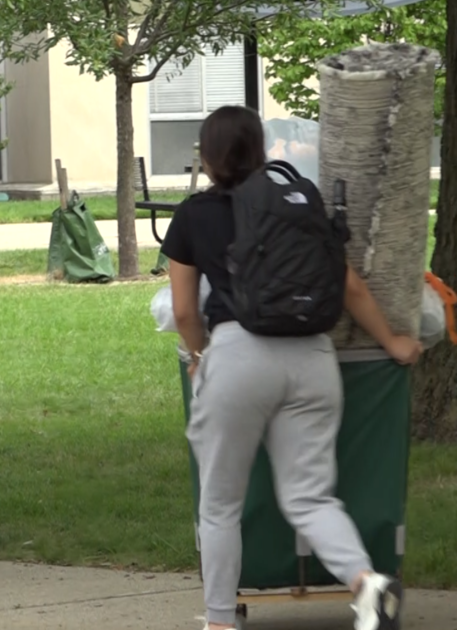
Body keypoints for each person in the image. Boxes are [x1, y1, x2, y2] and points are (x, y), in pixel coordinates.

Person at [160, 105, 422, 630]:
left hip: (237, 358)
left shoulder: (194, 214)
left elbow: (186, 311)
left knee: (219, 505)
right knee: (309, 496)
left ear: (207, 158)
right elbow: (348, 286)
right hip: (313, 359)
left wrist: (197, 358)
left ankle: (218, 620)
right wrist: (393, 341)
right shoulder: (300, 205)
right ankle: (365, 584)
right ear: (262, 150)